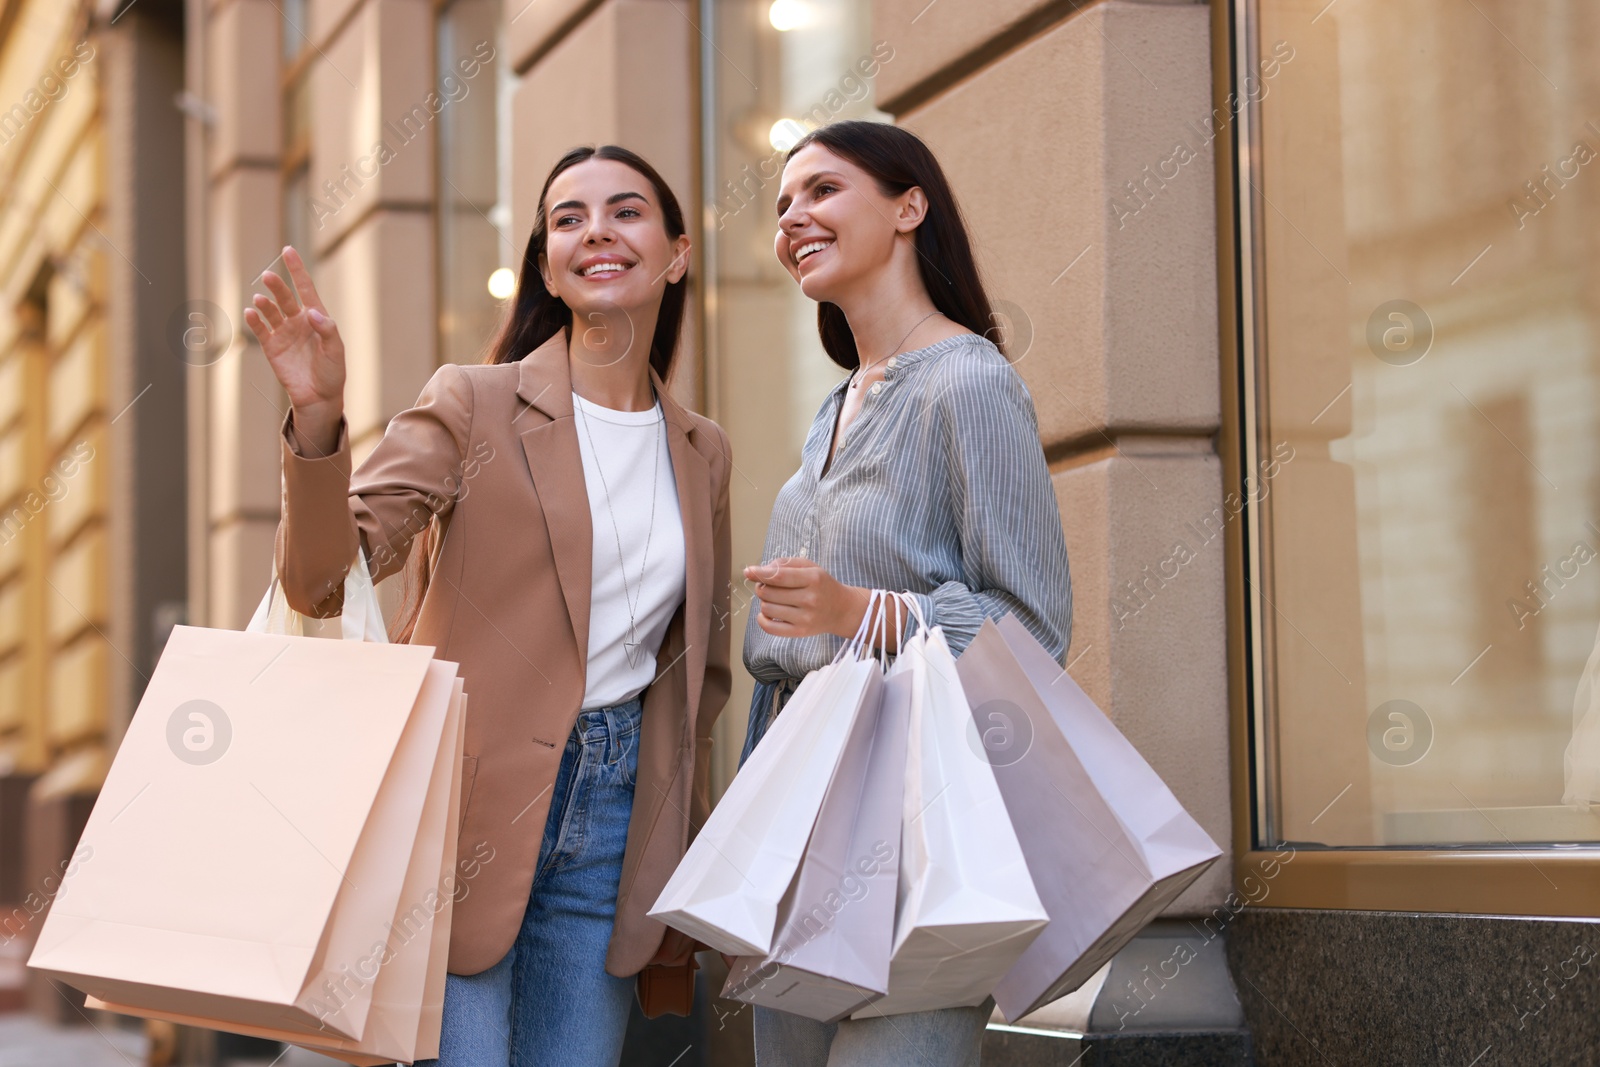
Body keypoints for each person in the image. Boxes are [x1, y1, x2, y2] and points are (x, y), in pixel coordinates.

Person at [244, 144, 732, 1067]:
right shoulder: (474, 403)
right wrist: (317, 419)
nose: (596, 231)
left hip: (615, 829)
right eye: (568, 217)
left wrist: (679, 858)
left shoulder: (703, 450)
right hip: (460, 815)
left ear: (675, 251)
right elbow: (325, 577)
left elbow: (695, 678)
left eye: (626, 212)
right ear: (549, 263)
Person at [739, 119, 1072, 1065]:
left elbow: (1036, 627)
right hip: (801, 816)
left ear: (908, 205)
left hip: (914, 820)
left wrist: (861, 613)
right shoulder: (834, 408)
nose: (793, 216)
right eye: (782, 204)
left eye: (822, 190)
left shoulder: (969, 382)